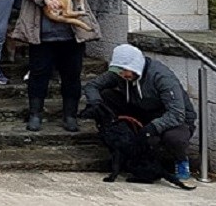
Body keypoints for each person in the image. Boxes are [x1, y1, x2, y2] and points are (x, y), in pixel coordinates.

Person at [12, 0, 101, 132]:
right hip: (41, 33)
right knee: (38, 75)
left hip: (71, 33)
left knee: (72, 75)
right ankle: (35, 114)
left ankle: (70, 115)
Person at [83, 44, 197, 180]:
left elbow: (177, 113)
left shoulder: (161, 76)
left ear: (135, 67)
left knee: (172, 138)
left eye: (125, 70)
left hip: (170, 116)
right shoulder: (120, 74)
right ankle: (116, 133)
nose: (122, 74)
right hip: (141, 110)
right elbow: (92, 85)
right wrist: (96, 103)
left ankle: (181, 160)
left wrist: (153, 127)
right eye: (119, 70)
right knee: (106, 95)